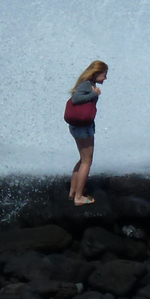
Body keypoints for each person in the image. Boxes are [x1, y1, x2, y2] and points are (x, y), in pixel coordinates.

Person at [66, 60, 108, 206]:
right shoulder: (86, 85)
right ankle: (79, 197)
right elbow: (76, 99)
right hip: (82, 127)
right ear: (96, 73)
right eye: (104, 75)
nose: (105, 78)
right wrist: (94, 94)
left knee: (83, 159)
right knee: (87, 161)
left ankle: (73, 192)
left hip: (80, 126)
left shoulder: (88, 85)